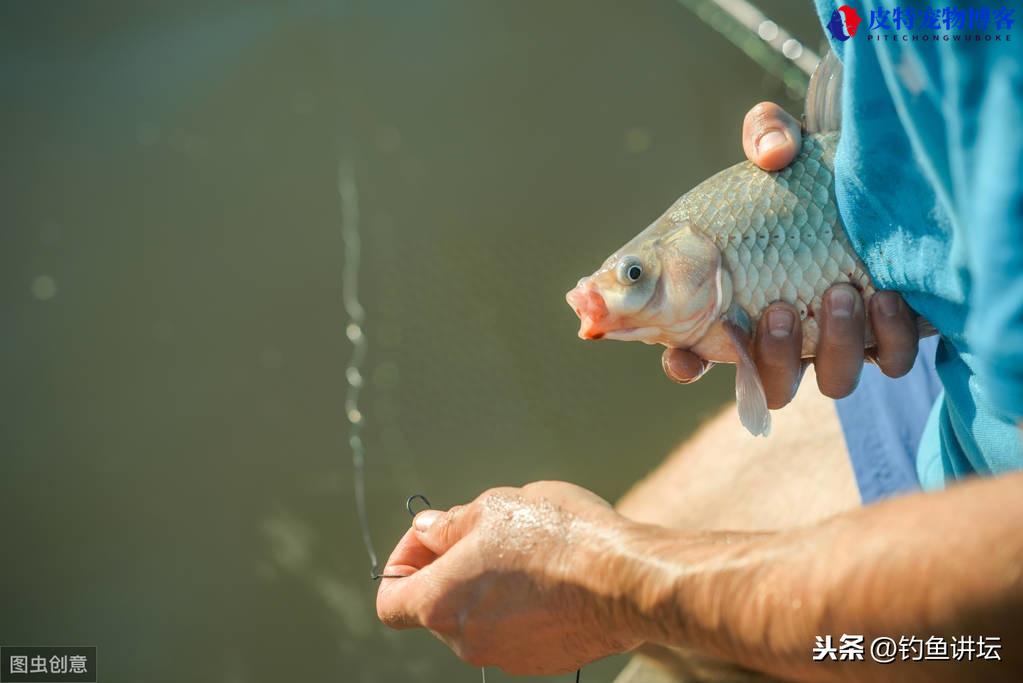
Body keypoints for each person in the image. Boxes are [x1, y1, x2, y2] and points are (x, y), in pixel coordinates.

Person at [376, 2, 1023, 680]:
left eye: (636, 274)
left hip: (989, 559)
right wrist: (866, 119)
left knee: (646, 626)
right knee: (630, 540)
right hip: (959, 374)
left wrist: (616, 591)